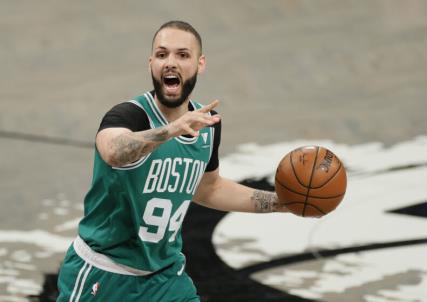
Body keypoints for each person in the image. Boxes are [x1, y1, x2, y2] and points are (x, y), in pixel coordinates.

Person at [56, 20, 287, 302]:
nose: (170, 62)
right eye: (162, 54)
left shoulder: (206, 124)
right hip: (103, 274)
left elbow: (209, 188)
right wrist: (173, 128)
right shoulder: (130, 115)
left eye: (182, 55)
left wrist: (282, 203)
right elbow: (113, 150)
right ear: (151, 62)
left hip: (164, 278)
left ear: (200, 64)